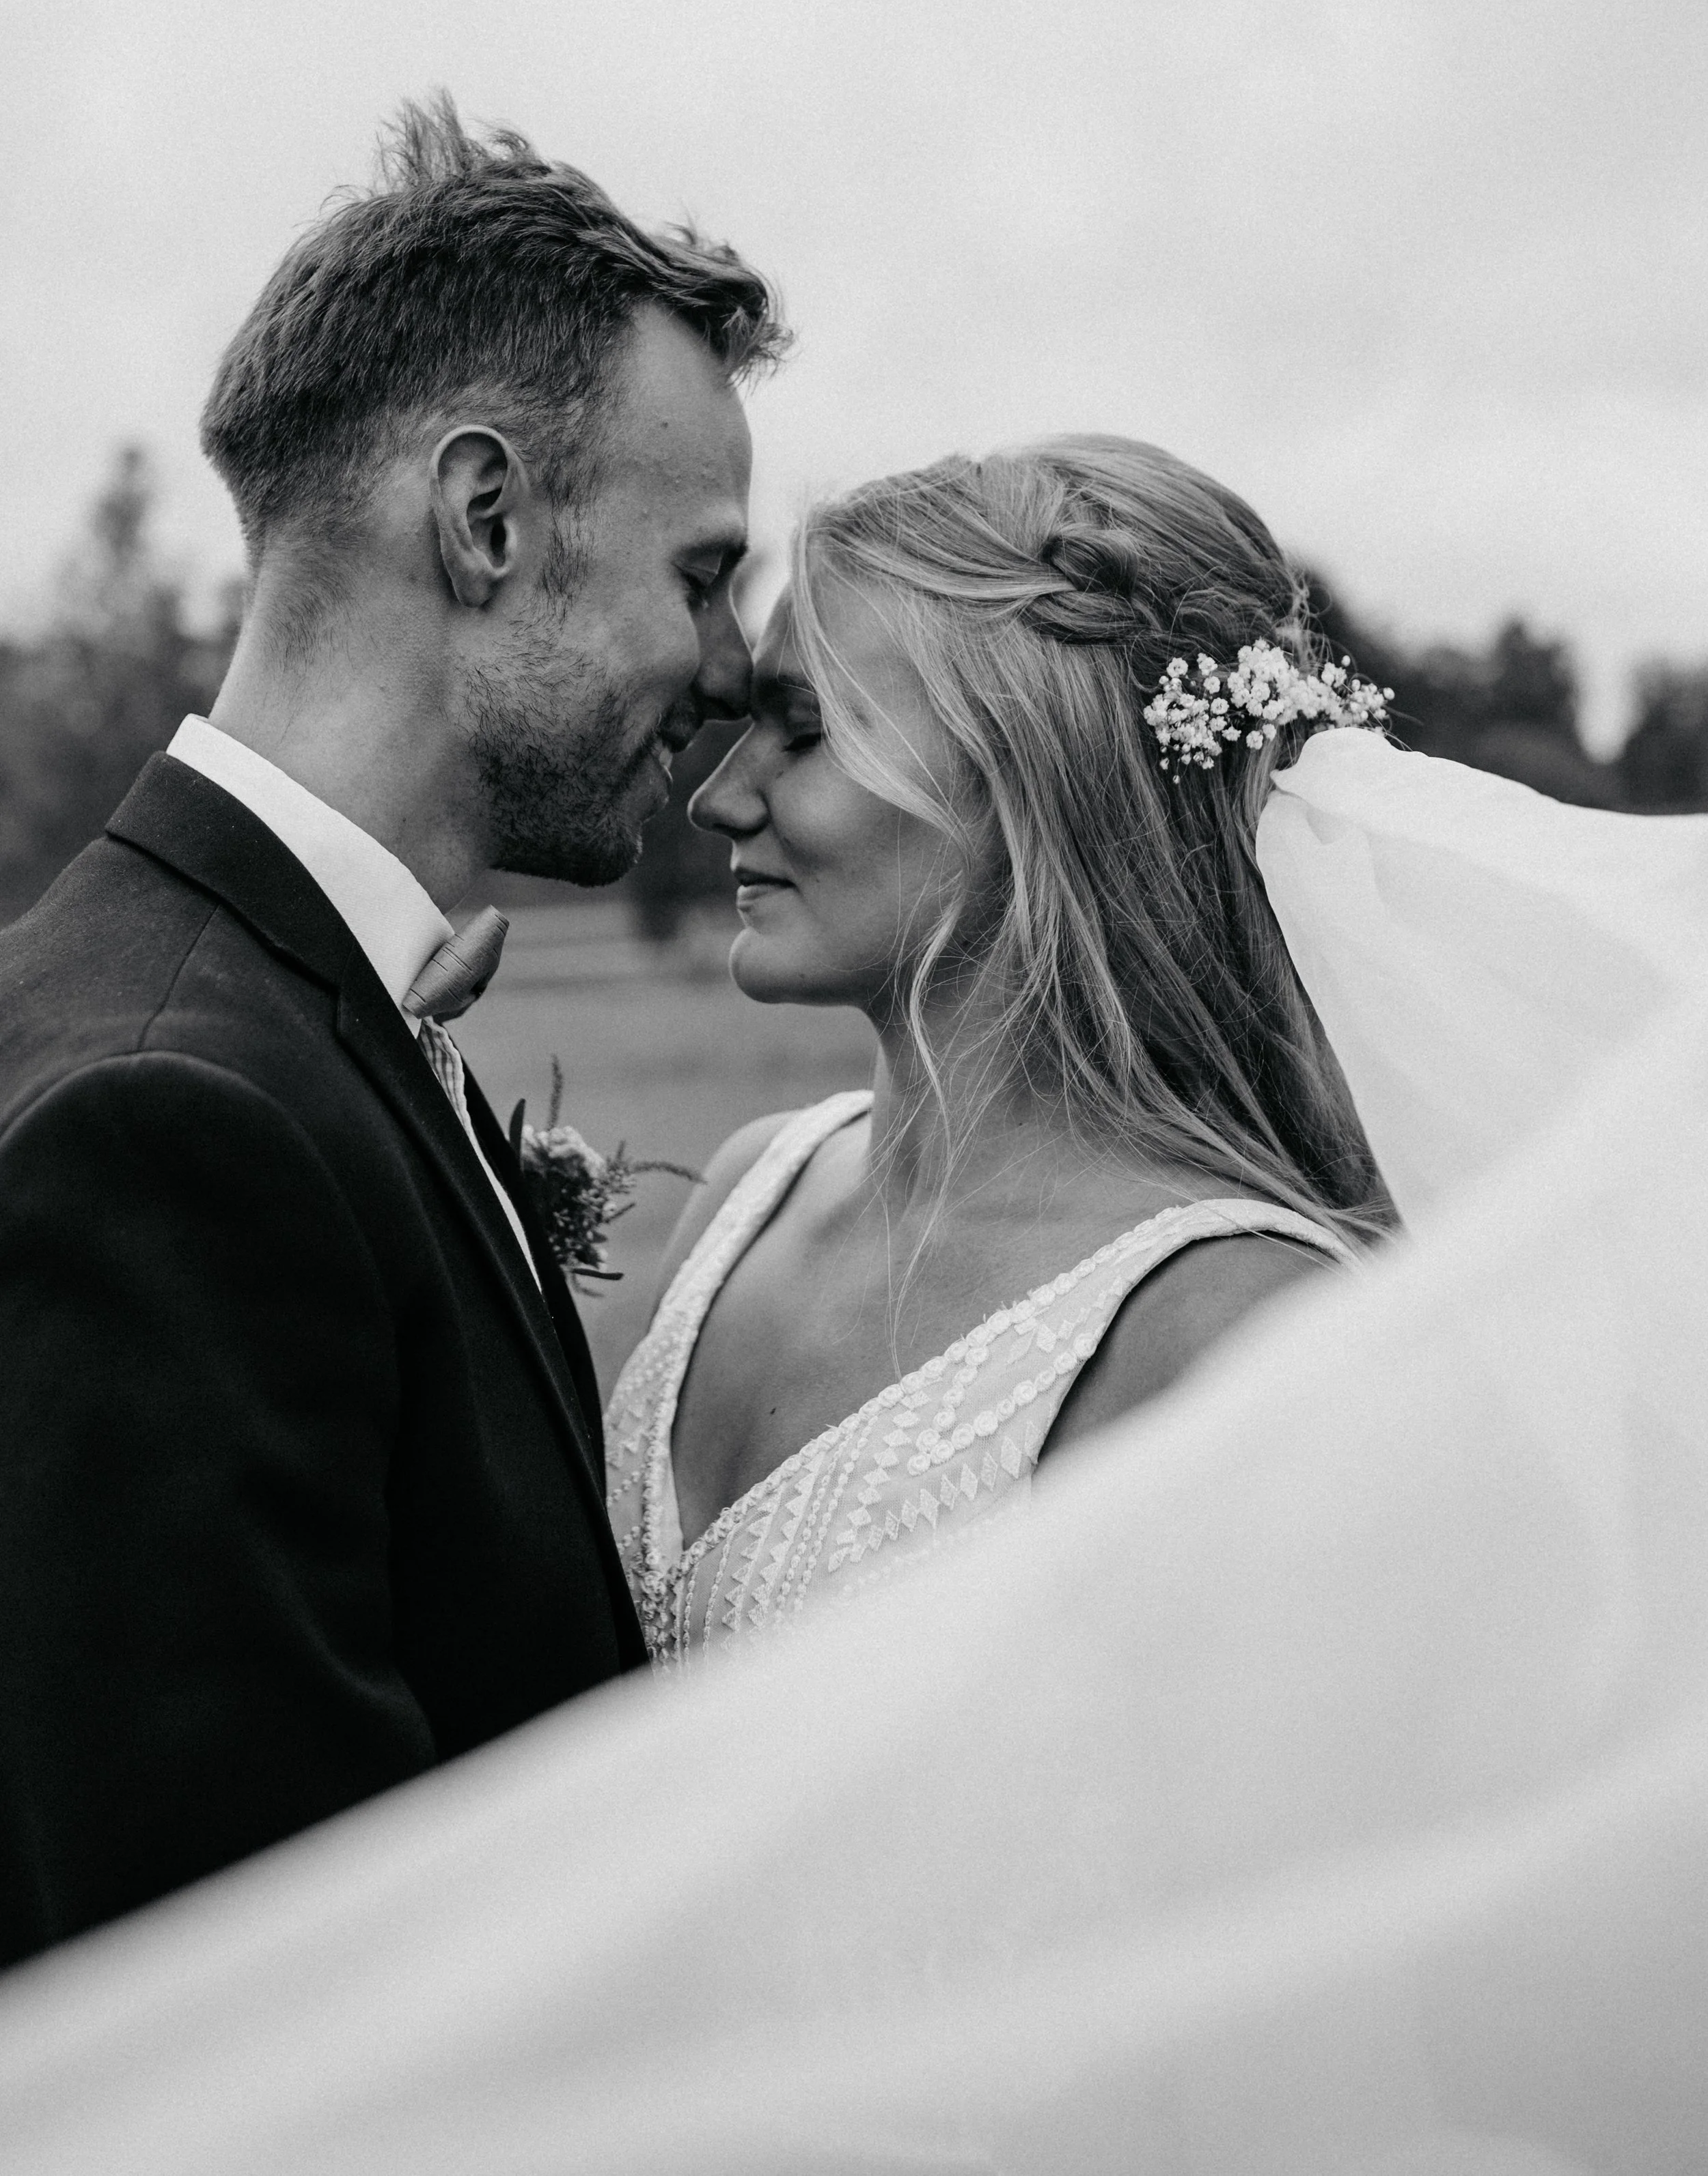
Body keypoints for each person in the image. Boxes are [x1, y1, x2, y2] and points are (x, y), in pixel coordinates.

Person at [0, 96, 786, 1970]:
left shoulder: (233, 1009)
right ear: (485, 516)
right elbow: (253, 2022)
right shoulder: (166, 1129)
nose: (735, 666)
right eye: (698, 571)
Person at [605, 435, 1394, 1659]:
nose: (719, 797)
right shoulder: (744, 1193)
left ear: (1031, 779)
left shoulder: (1225, 1326)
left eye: (802, 732)